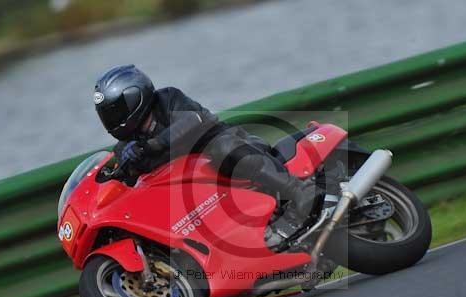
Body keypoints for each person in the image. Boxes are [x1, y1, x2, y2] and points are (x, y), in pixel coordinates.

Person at [93, 64, 321, 220]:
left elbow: (194, 120)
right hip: (198, 198)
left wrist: (153, 145)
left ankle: (298, 191)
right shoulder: (125, 146)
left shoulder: (168, 99)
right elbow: (124, 173)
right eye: (107, 114)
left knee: (223, 148)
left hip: (232, 155)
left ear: (135, 98)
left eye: (116, 111)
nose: (112, 119)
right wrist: (121, 170)